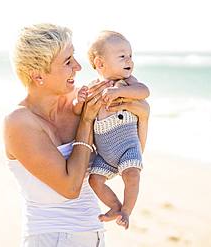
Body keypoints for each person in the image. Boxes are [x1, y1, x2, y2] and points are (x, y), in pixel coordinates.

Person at [3, 23, 150, 246]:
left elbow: (126, 154)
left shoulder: (79, 101)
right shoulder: (19, 122)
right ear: (38, 76)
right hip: (51, 238)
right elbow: (70, 188)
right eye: (68, 61)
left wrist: (143, 116)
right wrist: (87, 120)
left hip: (94, 234)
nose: (79, 67)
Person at [73, 30, 150, 229]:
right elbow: (79, 112)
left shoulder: (128, 82)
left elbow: (144, 91)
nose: (129, 61)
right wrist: (79, 100)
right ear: (100, 63)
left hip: (128, 148)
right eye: (122, 56)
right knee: (95, 180)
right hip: (105, 155)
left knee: (132, 175)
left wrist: (120, 91)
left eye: (131, 56)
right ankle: (115, 206)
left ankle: (126, 210)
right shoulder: (92, 87)